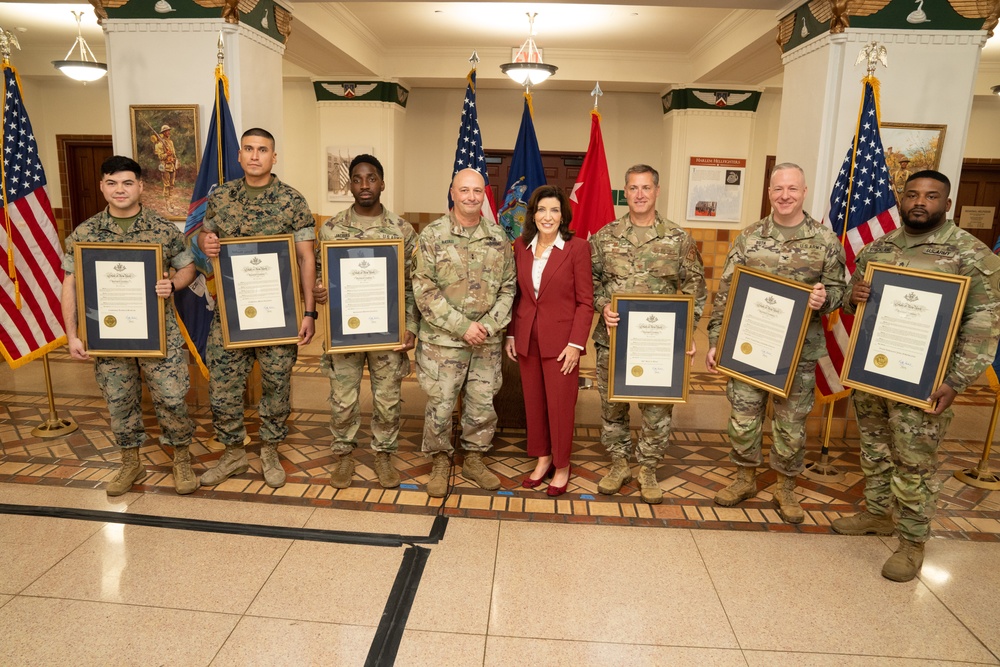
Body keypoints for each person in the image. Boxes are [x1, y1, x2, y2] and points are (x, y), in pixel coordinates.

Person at [832, 170, 1000, 581]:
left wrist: (956, 381)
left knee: (914, 463)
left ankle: (911, 544)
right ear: (901, 200)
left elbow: (984, 324)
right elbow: (854, 302)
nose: (919, 202)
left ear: (947, 202)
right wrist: (853, 297)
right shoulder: (880, 247)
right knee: (873, 448)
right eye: (912, 195)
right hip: (875, 369)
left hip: (926, 379)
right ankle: (876, 514)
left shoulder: (971, 254)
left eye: (931, 196)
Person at [706, 163, 846, 523]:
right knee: (743, 419)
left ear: (804, 192)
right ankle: (744, 479)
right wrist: (715, 341)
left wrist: (823, 298)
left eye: (792, 189)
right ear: (769, 192)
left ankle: (785, 488)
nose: (785, 196)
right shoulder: (750, 237)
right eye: (778, 189)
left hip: (798, 354)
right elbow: (726, 292)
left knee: (791, 426)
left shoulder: (824, 240)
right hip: (748, 349)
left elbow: (840, 292)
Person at [61, 155, 198, 496]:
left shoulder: (163, 229)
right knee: (119, 401)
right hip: (109, 335)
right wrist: (72, 335)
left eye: (126, 183)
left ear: (140, 187)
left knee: (172, 397)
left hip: (158, 334)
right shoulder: (86, 232)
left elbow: (188, 268)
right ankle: (130, 462)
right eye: (111, 183)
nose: (119, 190)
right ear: (102, 187)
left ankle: (181, 459)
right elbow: (70, 283)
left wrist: (174, 284)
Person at [197, 127, 316, 489]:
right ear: (239, 155)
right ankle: (233, 452)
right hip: (232, 314)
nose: (254, 155)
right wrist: (207, 242)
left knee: (276, 385)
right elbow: (204, 235)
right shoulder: (222, 198)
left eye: (262, 149)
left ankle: (269, 450)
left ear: (273, 157)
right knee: (222, 387)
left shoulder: (292, 201)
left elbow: (306, 258)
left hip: (278, 314)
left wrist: (309, 312)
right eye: (248, 148)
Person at [590, 164, 706, 504]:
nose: (639, 194)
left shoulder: (678, 238)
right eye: (633, 188)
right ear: (624, 192)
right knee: (613, 406)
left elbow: (695, 286)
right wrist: (601, 306)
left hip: (660, 343)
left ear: (657, 191)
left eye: (646, 188)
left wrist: (686, 334)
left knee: (657, 410)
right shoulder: (604, 237)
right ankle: (619, 464)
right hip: (614, 339)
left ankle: (649, 468)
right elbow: (590, 282)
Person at [312, 154, 418, 489]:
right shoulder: (330, 229)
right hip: (346, 331)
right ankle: (343, 456)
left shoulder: (402, 230)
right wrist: (319, 292)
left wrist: (411, 327)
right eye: (357, 179)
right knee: (343, 398)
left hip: (388, 329)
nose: (364, 185)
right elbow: (319, 275)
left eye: (371, 178)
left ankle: (383, 455)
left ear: (382, 183)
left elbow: (415, 284)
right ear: (350, 185)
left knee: (387, 399)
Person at [412, 168, 516, 498]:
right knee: (441, 404)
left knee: (482, 404)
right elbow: (423, 290)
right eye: (464, 190)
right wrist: (462, 327)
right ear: (453, 193)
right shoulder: (431, 236)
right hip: (443, 343)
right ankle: (440, 460)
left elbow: (509, 288)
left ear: (484, 194)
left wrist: (485, 326)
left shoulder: (499, 238)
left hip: (486, 341)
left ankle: (473, 458)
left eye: (476, 191)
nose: (471, 196)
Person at [504, 185, 594, 497]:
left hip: (562, 344)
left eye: (554, 210)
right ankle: (543, 459)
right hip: (528, 338)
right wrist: (513, 333)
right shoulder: (520, 246)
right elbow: (517, 297)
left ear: (563, 216)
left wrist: (576, 344)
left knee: (560, 406)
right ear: (532, 214)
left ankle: (563, 465)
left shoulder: (577, 249)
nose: (548, 216)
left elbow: (586, 302)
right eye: (542, 209)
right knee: (534, 404)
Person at [153, 124, 177, 208]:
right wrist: (166, 154)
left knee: (172, 185)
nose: (168, 132)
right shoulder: (159, 144)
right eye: (167, 131)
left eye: (168, 130)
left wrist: (175, 160)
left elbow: (174, 154)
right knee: (166, 185)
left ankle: (171, 202)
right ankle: (167, 204)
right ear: (163, 132)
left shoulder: (170, 142)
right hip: (165, 166)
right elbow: (160, 157)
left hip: (172, 166)